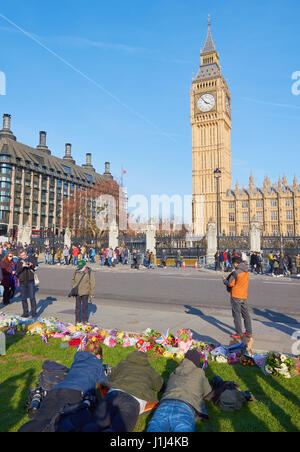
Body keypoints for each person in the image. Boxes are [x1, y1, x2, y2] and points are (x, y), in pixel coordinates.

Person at [19, 341, 107, 433]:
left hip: (55, 390)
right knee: (56, 423)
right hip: (74, 393)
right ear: (99, 356)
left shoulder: (77, 361)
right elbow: (104, 388)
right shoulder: (98, 364)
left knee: (39, 420)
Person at [82, 351, 163, 433]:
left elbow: (112, 376)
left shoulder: (122, 363)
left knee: (95, 423)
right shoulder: (150, 370)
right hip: (134, 400)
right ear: (145, 360)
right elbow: (159, 386)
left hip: (114, 394)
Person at [147, 350, 212, 432]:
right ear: (197, 362)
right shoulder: (200, 372)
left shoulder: (174, 372)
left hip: (164, 405)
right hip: (185, 407)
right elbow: (208, 392)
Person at [223, 256, 252, 341]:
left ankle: (239, 333)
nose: (233, 265)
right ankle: (249, 332)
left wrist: (224, 280)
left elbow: (230, 283)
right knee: (246, 314)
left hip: (236, 295)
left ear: (235, 263)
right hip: (244, 295)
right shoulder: (246, 271)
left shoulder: (236, 272)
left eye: (233, 264)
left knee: (237, 315)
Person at [71, 260, 95, 325]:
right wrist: (73, 286)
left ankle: (85, 320)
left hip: (85, 292)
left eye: (81, 266)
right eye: (79, 266)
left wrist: (92, 293)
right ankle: (77, 320)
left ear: (85, 265)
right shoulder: (76, 271)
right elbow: (73, 279)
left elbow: (92, 282)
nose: (80, 267)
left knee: (85, 307)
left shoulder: (89, 272)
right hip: (77, 292)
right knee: (77, 307)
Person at [16, 250, 38, 318]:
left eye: (24, 255)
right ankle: (25, 313)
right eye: (22, 255)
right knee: (23, 298)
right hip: (22, 281)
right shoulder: (19, 262)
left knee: (32, 297)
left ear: (26, 254)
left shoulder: (31, 259)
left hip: (30, 281)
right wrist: (22, 266)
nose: (23, 256)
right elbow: (17, 272)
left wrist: (32, 265)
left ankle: (33, 313)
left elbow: (35, 268)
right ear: (20, 256)